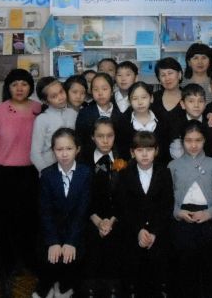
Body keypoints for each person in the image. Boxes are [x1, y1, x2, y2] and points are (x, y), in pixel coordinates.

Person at [0, 68, 42, 290]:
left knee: (29, 219)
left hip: (30, 173)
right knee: (3, 221)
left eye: (24, 84)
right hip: (2, 174)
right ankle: (5, 264)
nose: (19, 88)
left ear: (30, 87)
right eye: (14, 84)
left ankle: (28, 261)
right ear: (8, 88)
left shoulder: (38, 108)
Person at [168, 120, 212, 297]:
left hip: (208, 215)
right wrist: (178, 212)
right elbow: (165, 198)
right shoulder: (173, 166)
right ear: (182, 141)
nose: (193, 145)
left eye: (198, 140)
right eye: (188, 140)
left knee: (210, 256)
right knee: (184, 256)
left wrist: (209, 213)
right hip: (182, 215)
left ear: (205, 140)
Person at [116, 131, 174, 297]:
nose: (144, 154)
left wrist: (154, 232)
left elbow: (167, 205)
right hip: (133, 231)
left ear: (156, 151)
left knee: (157, 269)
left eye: (149, 150)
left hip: (158, 232)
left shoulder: (164, 172)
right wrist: (139, 230)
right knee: (134, 268)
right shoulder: (125, 174)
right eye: (140, 150)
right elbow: (124, 207)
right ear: (132, 152)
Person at [36, 128, 91, 298]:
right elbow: (45, 212)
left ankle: (65, 288)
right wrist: (53, 241)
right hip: (52, 232)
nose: (64, 154)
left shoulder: (85, 173)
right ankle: (47, 287)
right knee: (49, 258)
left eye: (69, 148)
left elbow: (82, 211)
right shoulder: (47, 175)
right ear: (53, 151)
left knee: (73, 262)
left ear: (77, 149)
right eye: (59, 149)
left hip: (76, 232)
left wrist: (70, 241)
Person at [83, 118, 126, 296]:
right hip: (90, 214)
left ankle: (114, 284)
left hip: (116, 215)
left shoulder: (122, 159)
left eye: (110, 135)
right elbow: (82, 196)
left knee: (117, 238)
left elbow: (125, 195)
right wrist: (98, 221)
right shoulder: (83, 160)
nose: (106, 141)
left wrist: (111, 220)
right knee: (91, 239)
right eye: (100, 136)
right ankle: (90, 285)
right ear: (92, 137)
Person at [30, 76, 77, 172]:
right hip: (49, 168)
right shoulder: (42, 119)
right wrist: (46, 173)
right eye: (54, 96)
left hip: (71, 169)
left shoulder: (73, 114)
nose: (61, 97)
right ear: (45, 101)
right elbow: (35, 153)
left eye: (61, 92)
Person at [116, 81, 171, 164]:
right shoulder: (122, 123)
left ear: (151, 98)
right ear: (129, 101)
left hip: (159, 168)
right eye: (135, 98)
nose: (140, 102)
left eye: (144, 97)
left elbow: (165, 151)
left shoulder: (163, 120)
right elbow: (123, 152)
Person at [75, 72, 123, 159]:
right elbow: (80, 140)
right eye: (96, 89)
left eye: (104, 89)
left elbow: (122, 143)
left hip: (116, 160)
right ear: (91, 91)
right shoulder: (84, 113)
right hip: (89, 159)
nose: (100, 93)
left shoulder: (120, 115)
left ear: (112, 90)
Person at [169, 83, 212, 161]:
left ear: (205, 104)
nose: (196, 105)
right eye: (191, 101)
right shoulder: (175, 124)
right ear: (182, 104)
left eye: (200, 101)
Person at [151, 57, 185, 124]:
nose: (167, 78)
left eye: (170, 73)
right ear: (159, 80)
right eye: (163, 75)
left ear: (179, 74)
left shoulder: (188, 97)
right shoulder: (153, 98)